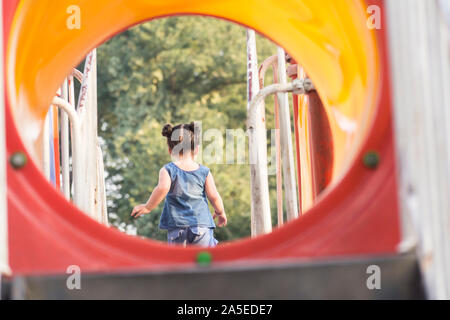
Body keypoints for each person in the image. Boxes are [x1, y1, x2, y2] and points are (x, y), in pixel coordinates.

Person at [131, 122, 227, 247]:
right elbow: (214, 196)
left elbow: (162, 188)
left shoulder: (167, 170)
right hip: (201, 225)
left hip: (177, 228)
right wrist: (220, 212)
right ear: (196, 149)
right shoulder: (204, 172)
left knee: (179, 263)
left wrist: (148, 207)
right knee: (205, 261)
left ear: (170, 150)